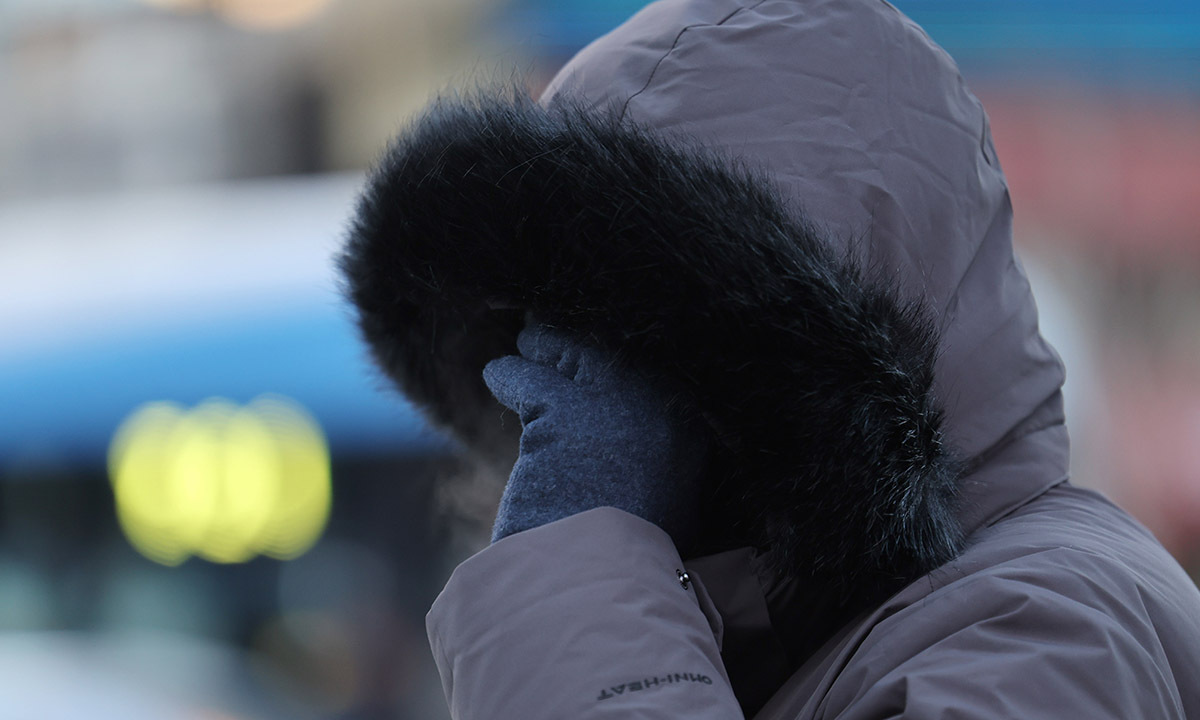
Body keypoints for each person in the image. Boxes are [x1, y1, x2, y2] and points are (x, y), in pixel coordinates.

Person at [339, 0, 1200, 717]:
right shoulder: (798, 639)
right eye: (543, 326)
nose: (559, 381)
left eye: (624, 329)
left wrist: (574, 572)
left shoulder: (1054, 628)